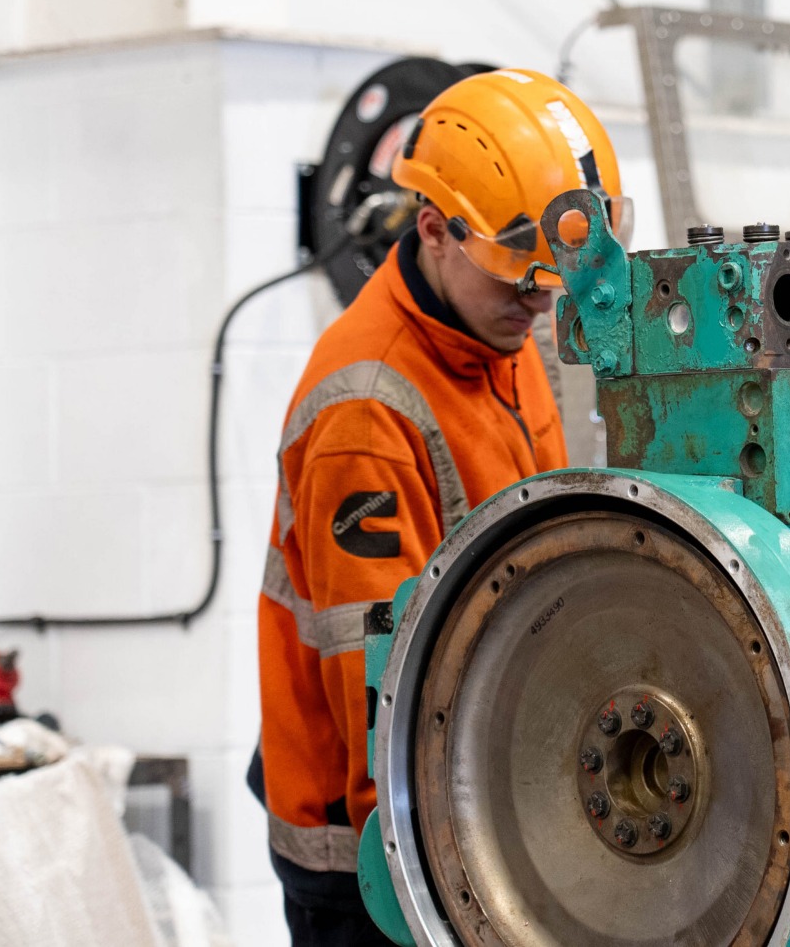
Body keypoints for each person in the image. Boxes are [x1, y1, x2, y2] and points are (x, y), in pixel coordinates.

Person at [249, 68, 629, 945]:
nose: (539, 301)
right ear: (434, 230)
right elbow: (371, 688)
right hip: (375, 860)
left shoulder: (496, 334)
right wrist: (432, 886)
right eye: (518, 279)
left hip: (480, 802)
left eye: (550, 279)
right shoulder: (366, 409)